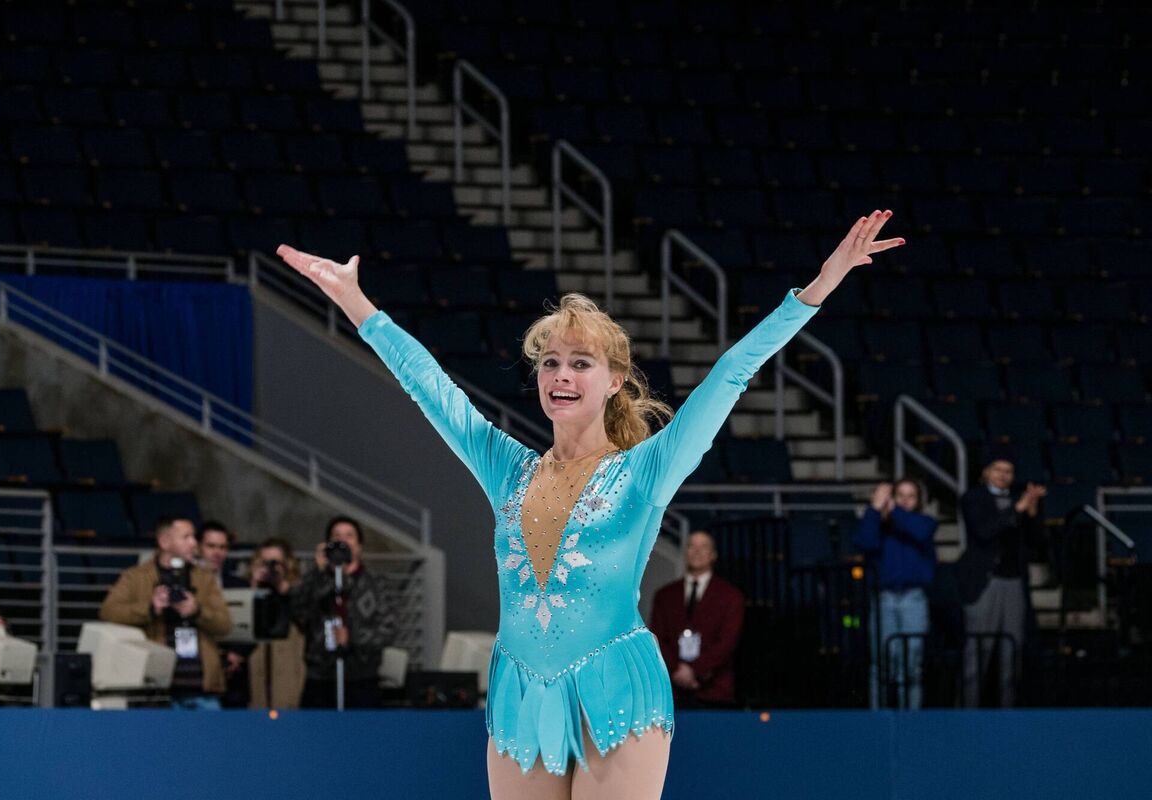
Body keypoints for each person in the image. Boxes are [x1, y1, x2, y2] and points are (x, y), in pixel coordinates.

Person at [277, 208, 901, 799]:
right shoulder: (507, 469)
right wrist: (356, 303)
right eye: (550, 363)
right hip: (520, 690)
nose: (561, 376)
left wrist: (821, 283)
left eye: (581, 363)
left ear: (615, 381)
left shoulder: (647, 471)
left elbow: (733, 371)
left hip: (615, 687)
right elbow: (431, 390)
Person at [99, 515, 232, 710]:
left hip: (201, 688)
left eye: (194, 537)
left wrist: (197, 611)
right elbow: (108, 611)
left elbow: (225, 624)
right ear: (164, 541)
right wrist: (150, 608)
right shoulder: (136, 577)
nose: (194, 543)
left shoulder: (204, 579)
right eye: (186, 537)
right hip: (156, 687)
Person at [957, 445, 1046, 707]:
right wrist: (1016, 510)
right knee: (978, 653)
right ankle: (965, 715)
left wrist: (1031, 512)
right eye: (998, 469)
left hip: (1014, 582)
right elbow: (984, 532)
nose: (1003, 475)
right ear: (986, 471)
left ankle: (1008, 714)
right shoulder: (974, 498)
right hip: (985, 583)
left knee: (1012, 653)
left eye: (1009, 471)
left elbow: (1037, 542)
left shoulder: (1021, 500)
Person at [291, 516, 398, 708]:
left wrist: (353, 636)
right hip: (320, 677)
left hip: (361, 677)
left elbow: (389, 630)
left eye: (349, 536)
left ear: (359, 547)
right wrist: (318, 572)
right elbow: (299, 613)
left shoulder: (377, 584)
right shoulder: (316, 581)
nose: (343, 541)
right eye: (337, 536)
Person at [855, 478, 937, 710]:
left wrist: (893, 510)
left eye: (910, 496)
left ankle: (909, 720)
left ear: (919, 500)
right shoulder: (879, 526)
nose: (904, 500)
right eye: (900, 495)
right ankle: (878, 720)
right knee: (881, 663)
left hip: (914, 598)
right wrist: (873, 509)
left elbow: (920, 532)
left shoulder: (925, 522)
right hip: (885, 598)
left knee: (911, 664)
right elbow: (864, 542)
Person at [649, 531, 745, 709]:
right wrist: (677, 671)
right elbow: (657, 638)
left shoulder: (731, 596)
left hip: (715, 692)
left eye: (704, 547)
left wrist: (694, 671)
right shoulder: (665, 595)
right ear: (685, 552)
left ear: (713, 555)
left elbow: (727, 642)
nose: (697, 551)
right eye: (692, 546)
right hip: (671, 692)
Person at [198, 520, 253, 708]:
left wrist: (237, 653)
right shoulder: (187, 584)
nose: (217, 552)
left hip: (235, 678)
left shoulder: (240, 585)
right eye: (211, 546)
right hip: (199, 674)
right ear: (199, 547)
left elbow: (252, 626)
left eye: (222, 547)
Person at [247, 537, 307, 709]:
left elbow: (305, 618)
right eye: (265, 563)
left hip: (289, 675)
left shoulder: (299, 591)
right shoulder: (251, 591)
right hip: (258, 679)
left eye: (276, 563)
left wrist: (283, 587)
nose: (271, 568)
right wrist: (254, 586)